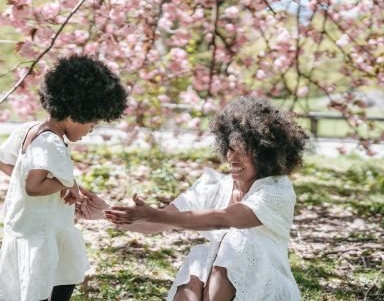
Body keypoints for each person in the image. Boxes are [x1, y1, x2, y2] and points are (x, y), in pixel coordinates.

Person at [104, 96, 307, 301]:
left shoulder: (276, 190)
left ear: (265, 154)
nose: (231, 158)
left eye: (242, 151)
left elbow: (223, 219)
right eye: (230, 148)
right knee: (200, 257)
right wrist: (104, 211)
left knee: (237, 241)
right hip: (219, 288)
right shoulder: (212, 186)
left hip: (267, 291)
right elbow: (154, 225)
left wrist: (153, 214)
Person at [0, 54, 128, 301]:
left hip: (35, 227)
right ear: (76, 112)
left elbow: (3, 162)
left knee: (58, 277)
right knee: (46, 286)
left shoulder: (29, 130)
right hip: (41, 233)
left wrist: (60, 187)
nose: (91, 130)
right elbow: (33, 186)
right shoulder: (52, 143)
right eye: (93, 123)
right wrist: (67, 183)